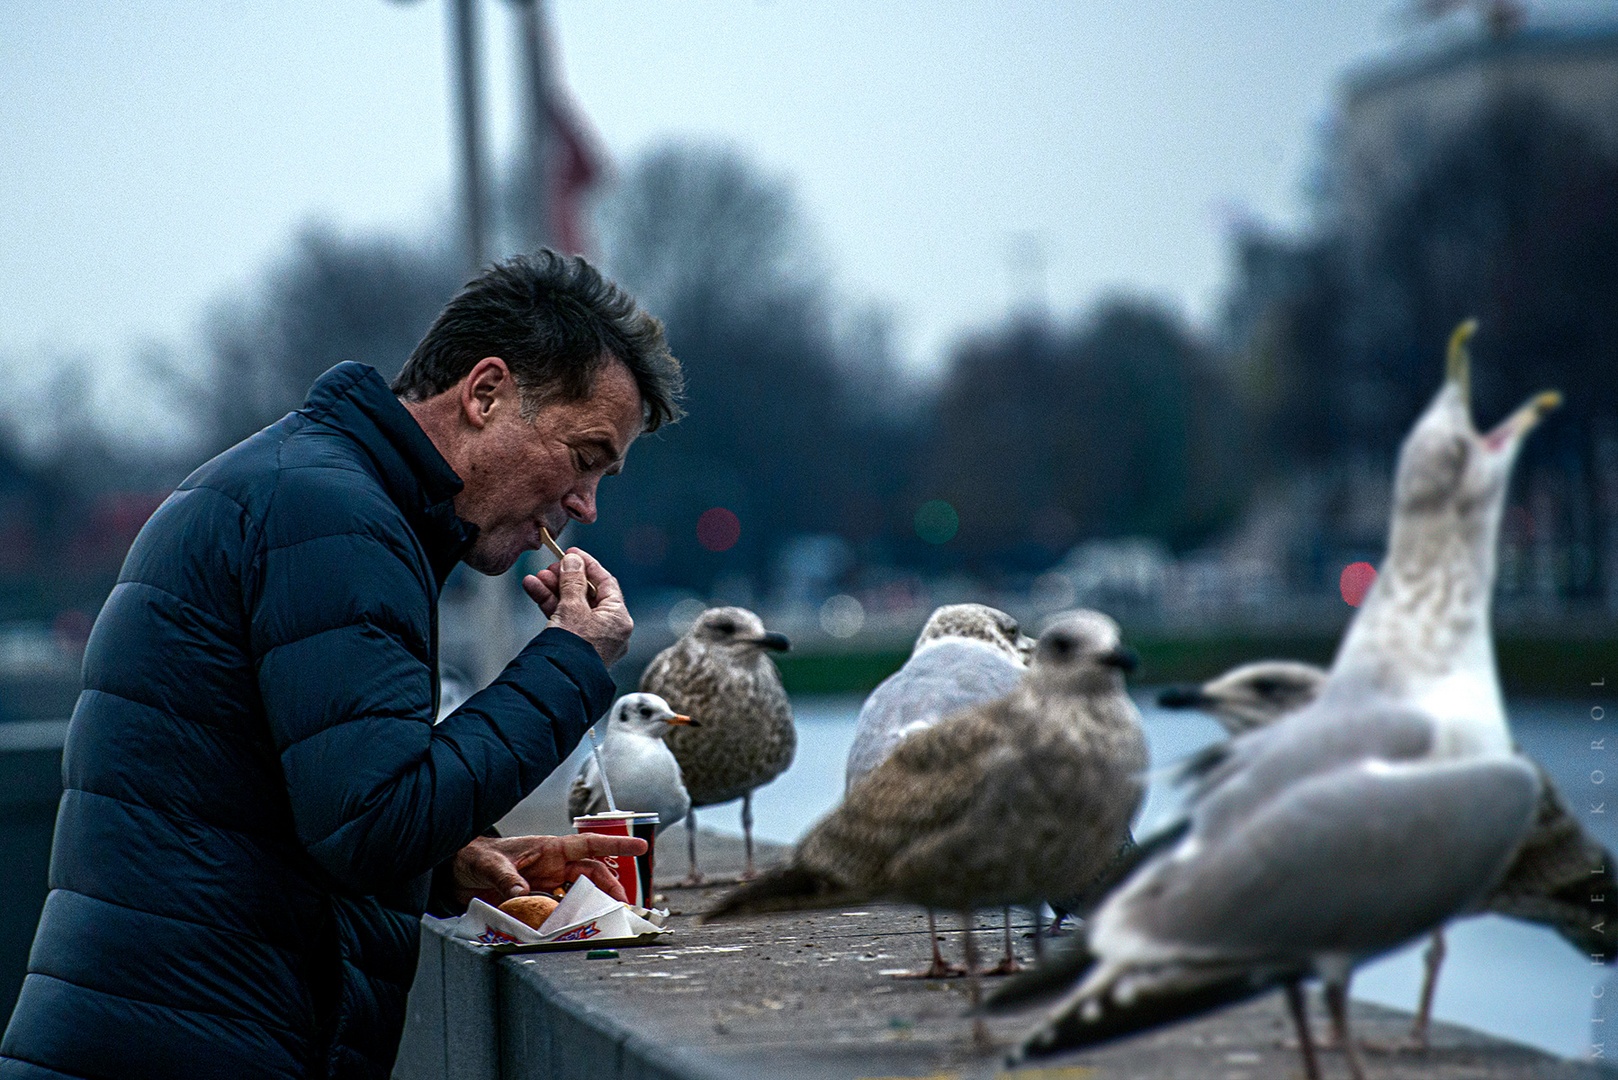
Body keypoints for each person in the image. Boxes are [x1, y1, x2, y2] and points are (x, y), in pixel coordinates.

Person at [0, 251, 684, 1080]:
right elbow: (368, 821)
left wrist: (447, 862)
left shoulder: (309, 486)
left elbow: (261, 791)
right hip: (191, 1049)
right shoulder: (338, 520)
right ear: (486, 392)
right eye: (584, 456)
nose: (586, 505)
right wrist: (571, 662)